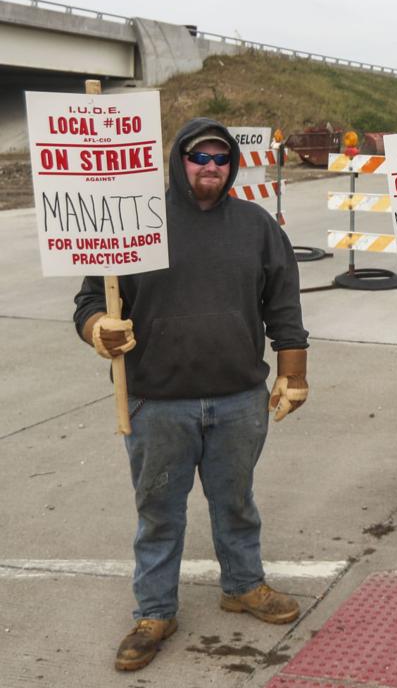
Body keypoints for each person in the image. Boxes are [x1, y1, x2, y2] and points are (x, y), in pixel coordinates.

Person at [73, 118, 310, 672]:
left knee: (236, 502)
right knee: (158, 512)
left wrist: (293, 372)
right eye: (198, 156)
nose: (210, 166)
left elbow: (284, 305)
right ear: (179, 160)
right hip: (157, 400)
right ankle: (155, 612)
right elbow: (89, 300)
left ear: (232, 166)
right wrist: (98, 328)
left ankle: (243, 585)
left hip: (238, 399)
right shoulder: (133, 224)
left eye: (220, 158)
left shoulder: (256, 225)